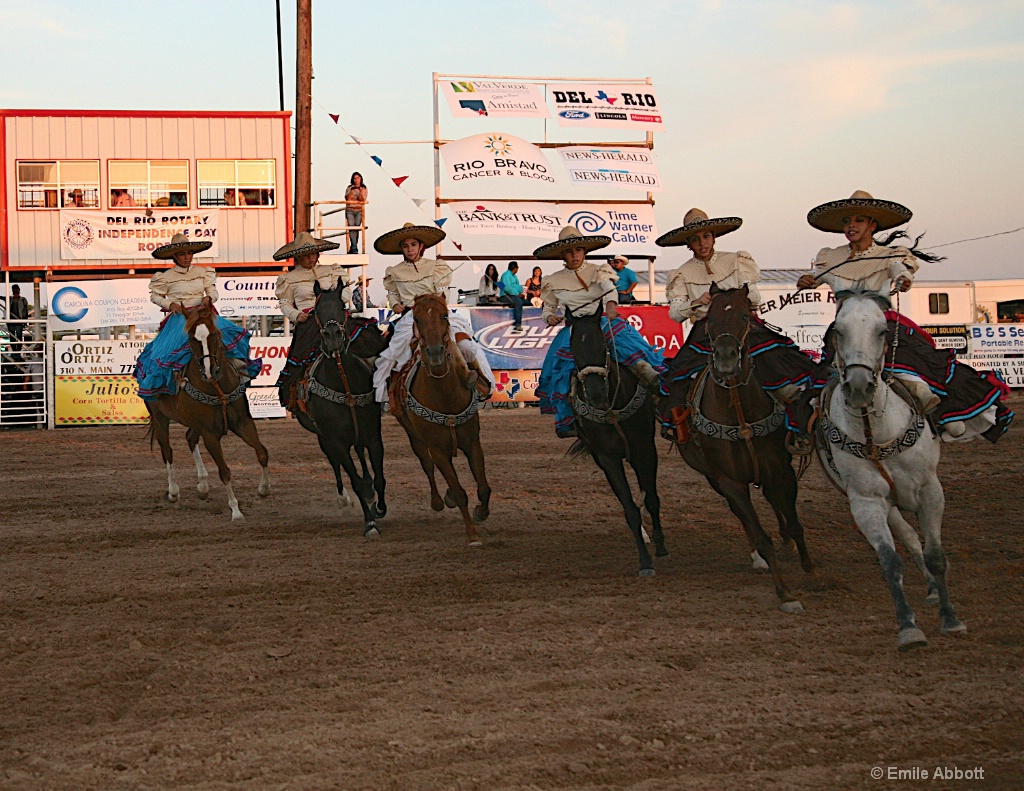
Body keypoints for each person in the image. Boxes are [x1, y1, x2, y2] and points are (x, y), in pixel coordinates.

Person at [797, 190, 1013, 443]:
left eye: (858, 220)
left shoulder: (891, 254)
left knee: (919, 361)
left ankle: (937, 413)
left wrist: (904, 278)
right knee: (824, 376)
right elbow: (816, 276)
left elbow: (901, 270)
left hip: (882, 322)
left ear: (872, 225)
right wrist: (807, 280)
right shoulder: (830, 256)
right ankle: (817, 426)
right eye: (846, 221)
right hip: (846, 325)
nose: (851, 226)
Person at [656, 208, 817, 443]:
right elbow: (675, 314)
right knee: (679, 377)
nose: (702, 243)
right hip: (706, 331)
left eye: (706, 236)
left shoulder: (736, 260)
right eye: (695, 239)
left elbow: (755, 299)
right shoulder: (681, 273)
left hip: (744, 325)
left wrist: (737, 301)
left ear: (713, 237)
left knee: (780, 364)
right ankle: (683, 429)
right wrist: (697, 302)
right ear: (687, 244)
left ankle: (799, 424)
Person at [535, 226, 665, 438]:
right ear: (562, 255)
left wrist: (611, 305)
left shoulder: (599, 270)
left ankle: (655, 394)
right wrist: (549, 317)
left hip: (605, 321)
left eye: (578, 250)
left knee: (633, 352)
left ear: (584, 251)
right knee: (562, 367)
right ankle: (567, 418)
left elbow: (609, 289)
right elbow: (548, 307)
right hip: (574, 327)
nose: (574, 255)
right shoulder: (554, 280)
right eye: (569, 251)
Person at [372, 222, 494, 404]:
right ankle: (387, 394)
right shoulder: (394, 271)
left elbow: (444, 295)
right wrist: (396, 304)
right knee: (394, 352)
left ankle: (480, 382)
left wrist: (434, 305)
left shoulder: (437, 267)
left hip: (438, 313)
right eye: (405, 246)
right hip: (411, 316)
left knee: (467, 346)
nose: (410, 249)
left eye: (413, 245)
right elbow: (393, 294)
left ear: (422, 246)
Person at [134, 233, 260, 401]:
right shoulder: (165, 277)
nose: (187, 257)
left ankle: (240, 371)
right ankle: (174, 385)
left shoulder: (203, 272)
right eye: (182, 254)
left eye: (189, 253)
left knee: (230, 334)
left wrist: (209, 298)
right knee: (167, 351)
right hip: (181, 318)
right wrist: (169, 305)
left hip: (204, 314)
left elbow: (213, 291)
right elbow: (155, 296)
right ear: (174, 256)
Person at [272, 231, 353, 411]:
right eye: (305, 255)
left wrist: (338, 301)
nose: (310, 258)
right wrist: (295, 315)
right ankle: (294, 395)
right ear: (298, 256)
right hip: (309, 322)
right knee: (299, 359)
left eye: (313, 254)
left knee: (364, 342)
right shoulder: (289, 278)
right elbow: (284, 303)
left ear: (318, 254)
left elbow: (346, 290)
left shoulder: (332, 270)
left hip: (336, 318)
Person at [499, 261, 526, 332]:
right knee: (519, 302)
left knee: (528, 302)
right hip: (506, 296)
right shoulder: (506, 275)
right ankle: (518, 324)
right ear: (515, 268)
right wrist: (517, 294)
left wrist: (522, 293)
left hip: (514, 295)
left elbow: (518, 287)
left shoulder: (515, 276)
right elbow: (507, 288)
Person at [345, 172, 368, 254]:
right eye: (354, 178)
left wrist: (360, 191)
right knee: (352, 228)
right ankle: (354, 248)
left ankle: (353, 247)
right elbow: (347, 199)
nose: (356, 180)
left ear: (361, 178)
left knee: (356, 228)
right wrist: (352, 190)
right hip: (350, 210)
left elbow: (362, 200)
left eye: (358, 178)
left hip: (359, 210)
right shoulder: (349, 187)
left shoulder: (364, 188)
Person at [6, 284, 30, 357]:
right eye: (14, 290)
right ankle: (14, 352)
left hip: (19, 321)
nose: (15, 291)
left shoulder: (23, 300)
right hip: (11, 322)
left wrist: (25, 321)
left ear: (19, 290)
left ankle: (18, 351)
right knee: (12, 337)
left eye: (16, 289)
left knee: (19, 336)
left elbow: (25, 311)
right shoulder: (9, 299)